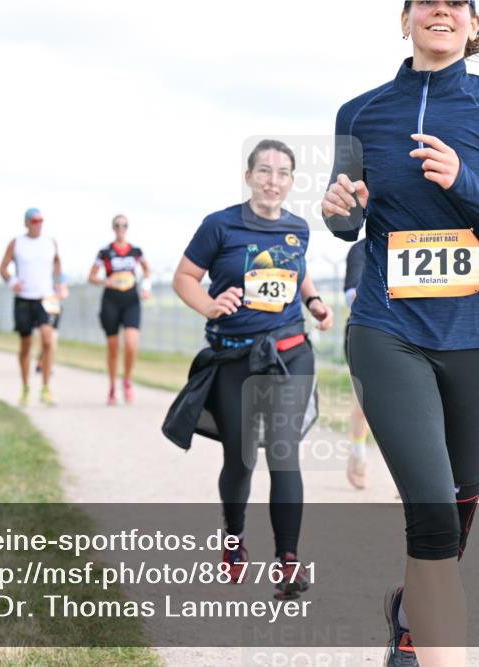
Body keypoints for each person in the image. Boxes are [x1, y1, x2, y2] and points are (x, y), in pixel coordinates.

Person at [321, 2, 479, 665]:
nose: (440, 8)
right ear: (403, 20)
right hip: (387, 331)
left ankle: (409, 616)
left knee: (453, 521)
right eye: (424, 0)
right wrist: (339, 213)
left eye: (455, 0)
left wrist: (468, 186)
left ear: (469, 19)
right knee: (431, 515)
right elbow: (347, 224)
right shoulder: (358, 113)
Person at [165, 139, 334, 600]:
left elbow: (295, 271)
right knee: (240, 457)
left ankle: (288, 561)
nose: (272, 181)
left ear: (292, 182)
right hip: (235, 355)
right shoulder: (219, 226)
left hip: (289, 352)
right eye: (264, 171)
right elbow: (184, 277)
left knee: (284, 451)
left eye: (282, 173)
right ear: (248, 176)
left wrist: (314, 301)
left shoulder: (299, 228)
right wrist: (210, 304)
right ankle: (234, 539)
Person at [0, 208, 62, 407]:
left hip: (46, 297)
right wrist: (12, 282)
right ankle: (26, 387)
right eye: (34, 221)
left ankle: (46, 388)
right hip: (24, 298)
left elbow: (57, 264)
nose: (38, 224)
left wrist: (59, 284)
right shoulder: (17, 242)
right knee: (26, 345)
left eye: (41, 220)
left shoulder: (50, 242)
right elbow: (3, 268)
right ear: (26, 223)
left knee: (48, 340)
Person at [88, 215, 152, 405]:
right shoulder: (105, 252)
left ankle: (127, 380)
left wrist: (146, 287)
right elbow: (91, 277)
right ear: (113, 228)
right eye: (117, 225)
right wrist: (104, 280)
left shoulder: (135, 251)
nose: (121, 228)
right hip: (111, 300)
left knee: (132, 344)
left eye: (124, 225)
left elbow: (147, 270)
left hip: (131, 299)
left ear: (127, 228)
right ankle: (112, 387)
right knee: (113, 347)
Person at [343, 238, 370, 490]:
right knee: (365, 403)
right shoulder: (360, 248)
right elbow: (349, 294)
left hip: (413, 332)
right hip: (365, 331)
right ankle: (357, 453)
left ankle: (408, 478)